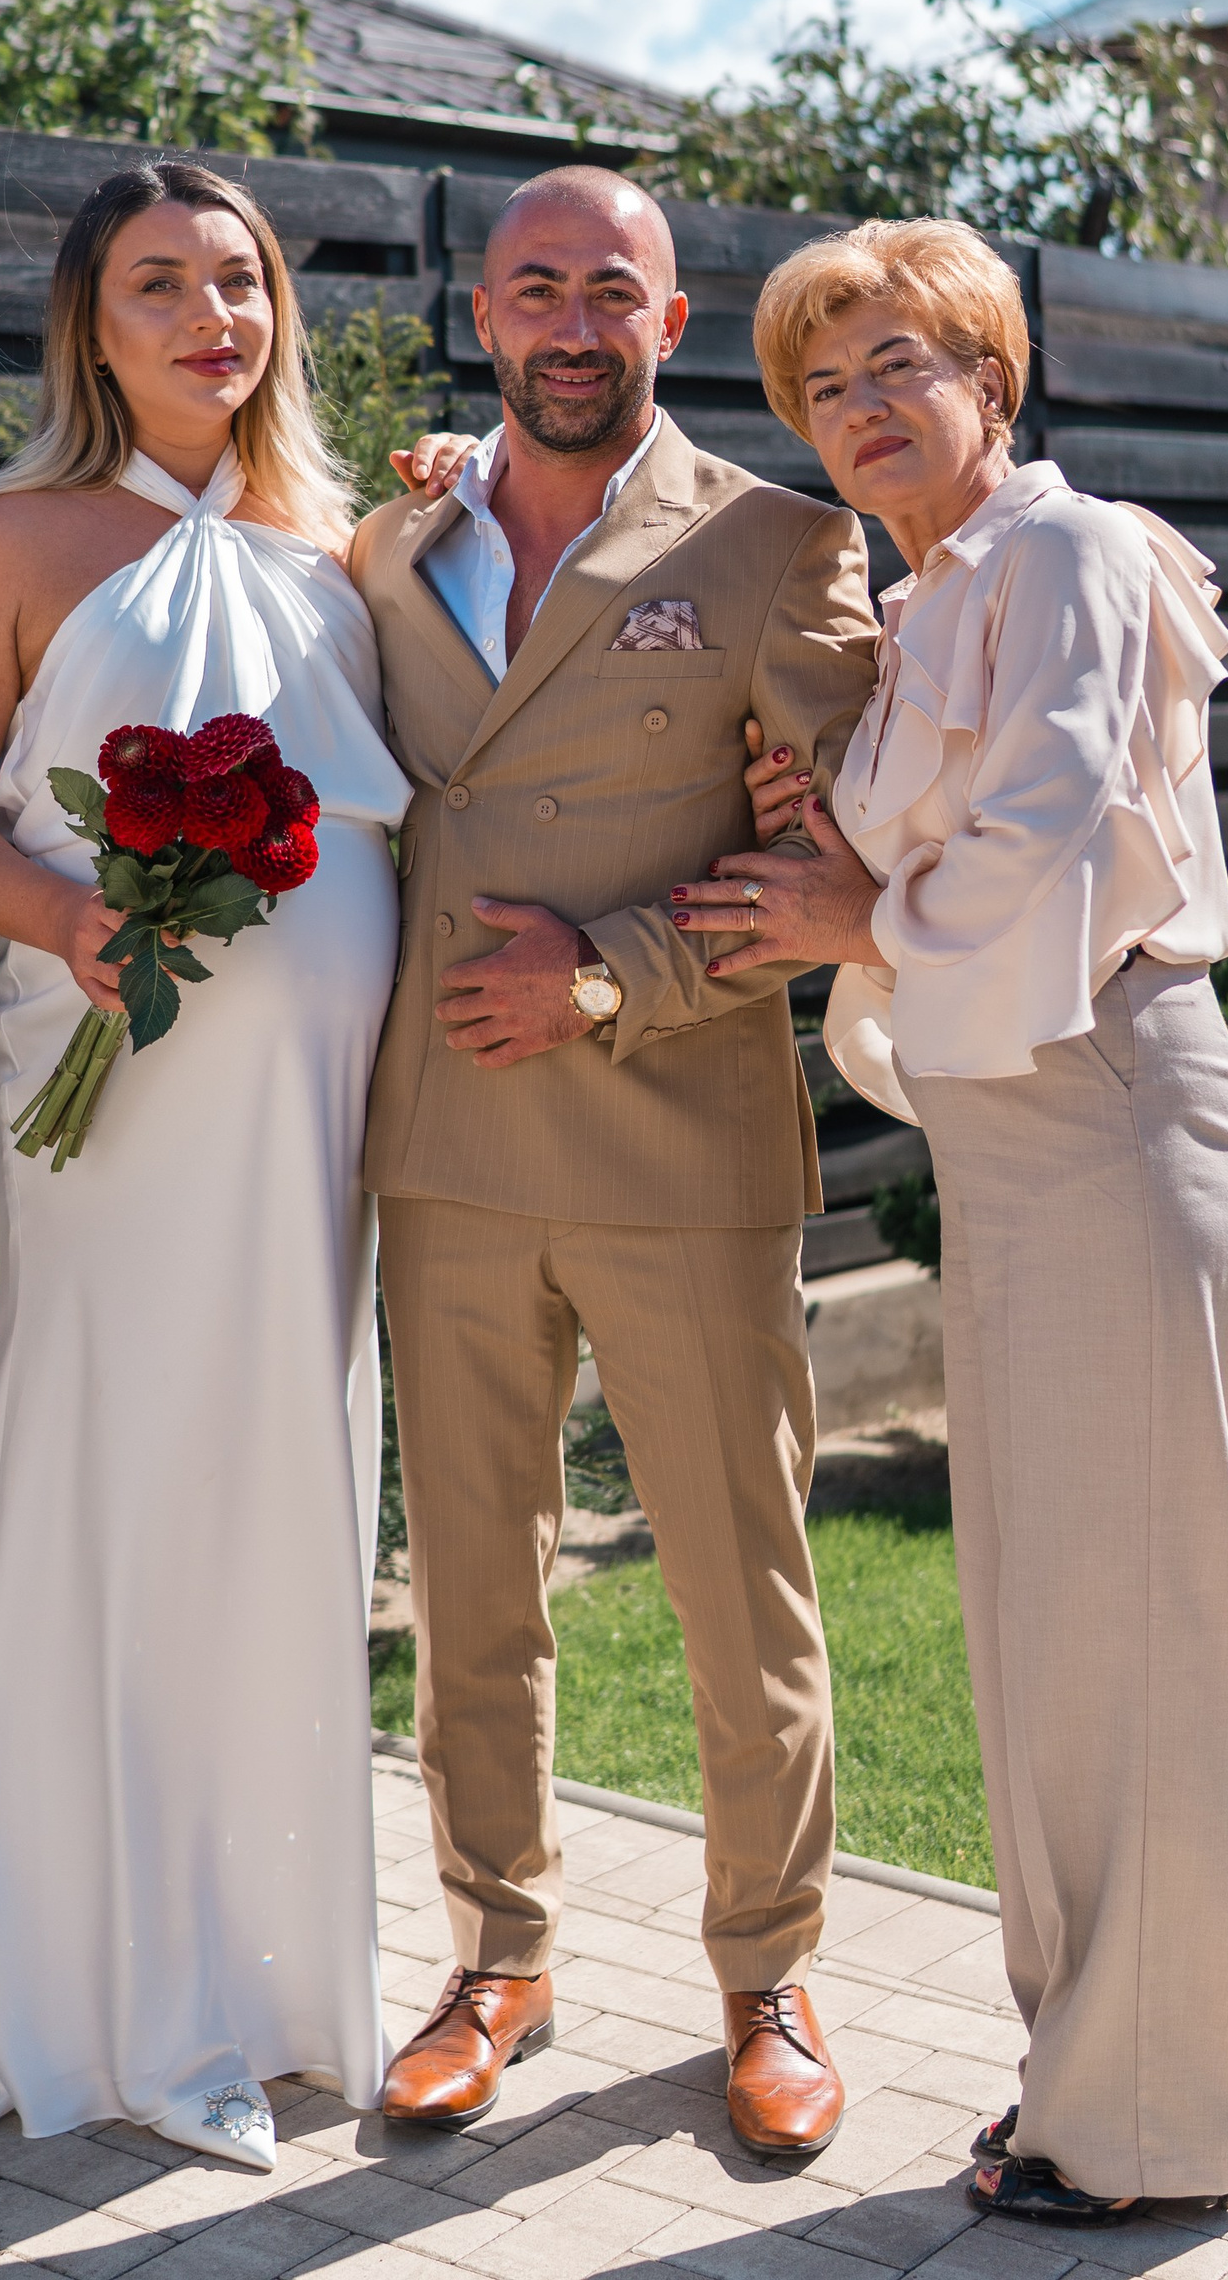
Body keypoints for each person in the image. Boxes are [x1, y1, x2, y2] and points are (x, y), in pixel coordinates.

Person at [0, 158, 472, 2172]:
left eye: (238, 283)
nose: (206, 319)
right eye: (159, 285)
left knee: (274, 1467)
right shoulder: (8, 540)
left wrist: (438, 488)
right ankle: (74, 1974)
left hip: (313, 1104)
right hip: (101, 1075)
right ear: (92, 322)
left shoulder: (345, 544)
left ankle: (250, 1972)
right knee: (110, 1450)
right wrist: (75, 927)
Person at [678, 214, 1228, 2224]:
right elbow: (905, 848)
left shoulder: (1070, 554)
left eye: (896, 368)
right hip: (1011, 1156)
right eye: (821, 386)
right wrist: (811, 827)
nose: (858, 409)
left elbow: (1034, 820)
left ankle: (1149, 2133)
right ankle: (1078, 2084)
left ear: (988, 383)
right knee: (1045, 1651)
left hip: (1111, 1121)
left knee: (1131, 1656)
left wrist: (854, 909)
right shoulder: (933, 596)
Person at [350, 165, 884, 2157]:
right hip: (449, 1150)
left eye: (612, 292)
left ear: (671, 319)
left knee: (739, 1600)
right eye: (534, 289)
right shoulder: (393, 537)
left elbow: (837, 865)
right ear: (481, 312)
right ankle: (498, 1957)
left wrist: (608, 974)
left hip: (677, 1142)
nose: (571, 325)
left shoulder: (771, 546)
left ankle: (766, 1975)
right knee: (474, 1586)